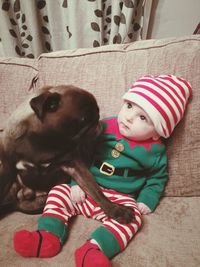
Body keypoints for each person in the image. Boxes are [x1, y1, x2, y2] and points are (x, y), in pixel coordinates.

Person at [13, 75, 192, 267]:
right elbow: (80, 156)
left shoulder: (155, 152)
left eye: (142, 118)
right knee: (58, 192)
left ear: (158, 131)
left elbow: (157, 179)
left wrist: (146, 200)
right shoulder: (104, 127)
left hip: (120, 199)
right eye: (129, 106)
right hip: (87, 187)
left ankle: (94, 250)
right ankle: (47, 236)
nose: (129, 117)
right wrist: (75, 184)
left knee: (133, 219)